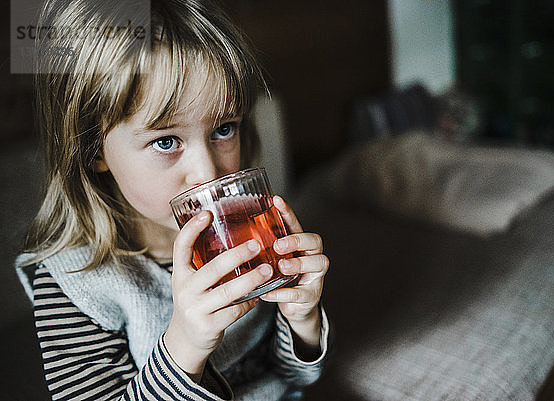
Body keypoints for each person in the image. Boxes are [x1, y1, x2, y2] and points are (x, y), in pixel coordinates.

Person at [15, 0, 330, 400]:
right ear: (94, 151)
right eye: (166, 141)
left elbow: (296, 379)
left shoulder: (246, 231)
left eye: (223, 128)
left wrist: (303, 320)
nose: (208, 173)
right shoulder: (76, 286)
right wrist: (185, 348)